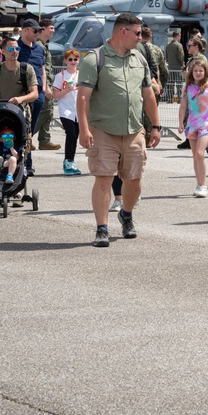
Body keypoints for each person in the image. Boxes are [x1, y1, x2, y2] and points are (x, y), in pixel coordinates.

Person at [77, 13, 161, 247]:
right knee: (104, 179)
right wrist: (84, 129)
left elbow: (148, 94)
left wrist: (155, 126)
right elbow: (83, 98)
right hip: (103, 130)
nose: (140, 38)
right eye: (137, 33)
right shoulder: (95, 59)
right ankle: (102, 228)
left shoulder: (140, 59)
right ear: (122, 32)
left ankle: (126, 214)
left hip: (134, 130)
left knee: (134, 180)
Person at [0, 37, 39, 206]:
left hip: (21, 115)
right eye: (11, 49)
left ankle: (18, 189)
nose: (15, 52)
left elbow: (34, 93)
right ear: (4, 51)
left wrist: (20, 99)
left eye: (17, 49)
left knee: (21, 150)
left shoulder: (26, 69)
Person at [179, 54, 208, 198]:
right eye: (196, 70)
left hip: (205, 125)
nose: (198, 73)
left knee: (199, 153)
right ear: (192, 72)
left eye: (201, 71)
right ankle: (199, 183)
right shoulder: (187, 87)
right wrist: (180, 123)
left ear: (205, 73)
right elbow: (183, 106)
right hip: (192, 125)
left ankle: (204, 185)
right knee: (195, 156)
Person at [17, 18, 48, 173]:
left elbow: (42, 70)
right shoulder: (15, 47)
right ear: (25, 31)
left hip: (37, 94)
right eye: (35, 30)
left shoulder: (39, 49)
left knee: (30, 131)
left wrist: (45, 88)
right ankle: (22, 163)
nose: (38, 33)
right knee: (20, 129)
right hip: (21, 95)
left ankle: (27, 164)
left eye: (39, 31)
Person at [52, 49, 82, 176]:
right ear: (65, 61)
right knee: (71, 133)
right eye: (70, 59)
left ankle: (71, 161)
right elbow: (55, 95)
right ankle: (68, 161)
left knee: (75, 136)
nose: (73, 62)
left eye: (75, 59)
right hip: (66, 110)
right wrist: (66, 90)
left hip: (79, 110)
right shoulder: (60, 76)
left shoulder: (81, 75)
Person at [138, 25, 168, 143]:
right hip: (153, 83)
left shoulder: (136, 48)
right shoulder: (157, 50)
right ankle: (149, 139)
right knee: (150, 111)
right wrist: (162, 85)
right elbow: (163, 70)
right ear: (151, 37)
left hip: (139, 84)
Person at [36, 18, 61, 152]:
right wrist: (45, 87)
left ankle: (44, 140)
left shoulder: (44, 45)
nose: (53, 31)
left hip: (48, 83)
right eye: (51, 28)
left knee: (49, 112)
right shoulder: (39, 46)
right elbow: (41, 69)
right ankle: (27, 136)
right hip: (43, 84)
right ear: (43, 29)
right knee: (44, 111)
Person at [165, 29, 185, 101]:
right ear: (177, 36)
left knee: (170, 84)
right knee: (179, 84)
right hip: (178, 68)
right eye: (179, 36)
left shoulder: (168, 46)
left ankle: (170, 98)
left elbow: (166, 57)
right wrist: (183, 64)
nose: (180, 37)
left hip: (170, 68)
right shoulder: (179, 45)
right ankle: (179, 98)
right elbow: (181, 56)